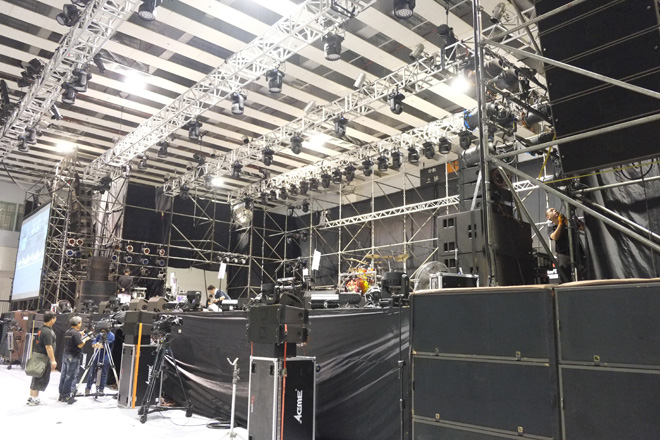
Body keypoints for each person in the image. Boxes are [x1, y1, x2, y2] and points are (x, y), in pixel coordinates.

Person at [27, 311, 57, 406]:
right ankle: (35, 399)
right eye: (55, 318)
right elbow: (49, 347)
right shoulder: (47, 332)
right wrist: (53, 360)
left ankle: (32, 397)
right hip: (43, 357)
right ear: (52, 319)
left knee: (36, 375)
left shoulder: (41, 328)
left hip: (38, 355)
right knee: (40, 377)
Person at [58, 316, 89, 404]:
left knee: (64, 375)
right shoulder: (75, 333)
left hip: (66, 355)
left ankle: (61, 394)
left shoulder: (68, 331)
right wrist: (85, 339)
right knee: (70, 376)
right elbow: (80, 345)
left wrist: (80, 334)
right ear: (78, 323)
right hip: (73, 356)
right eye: (80, 322)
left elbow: (74, 339)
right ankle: (66, 396)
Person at [84, 326, 115, 396]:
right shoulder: (100, 335)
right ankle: (88, 388)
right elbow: (93, 344)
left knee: (104, 373)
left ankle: (101, 389)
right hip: (97, 355)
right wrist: (97, 345)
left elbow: (104, 346)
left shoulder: (111, 335)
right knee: (91, 372)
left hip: (106, 356)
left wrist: (98, 345)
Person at [546, 207, 572, 283]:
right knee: (565, 277)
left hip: (576, 251)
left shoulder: (567, 223)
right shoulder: (551, 228)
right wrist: (560, 224)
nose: (555, 210)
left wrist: (567, 221)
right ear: (548, 217)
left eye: (555, 209)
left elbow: (582, 228)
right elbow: (554, 237)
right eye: (551, 211)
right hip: (563, 254)